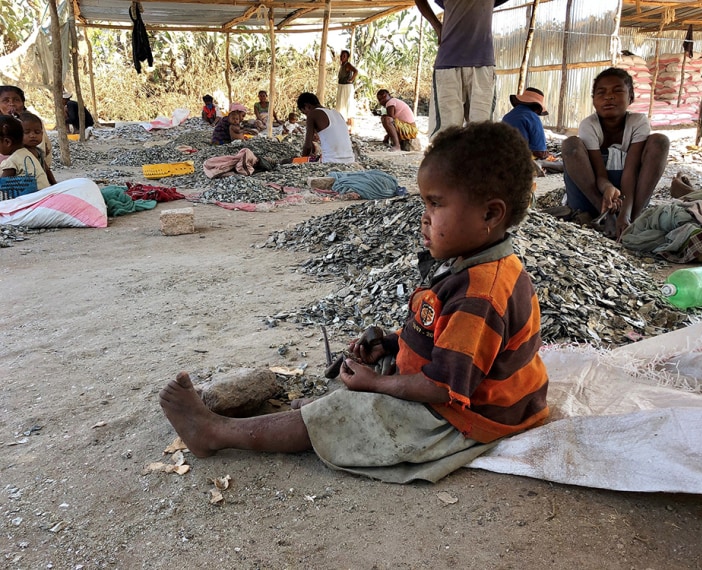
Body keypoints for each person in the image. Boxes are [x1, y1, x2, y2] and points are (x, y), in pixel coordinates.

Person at [158, 121, 549, 483]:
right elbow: (440, 331)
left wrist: (378, 384)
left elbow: (442, 387)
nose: (424, 218)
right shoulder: (469, 262)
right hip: (457, 389)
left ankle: (213, 433)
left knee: (339, 415)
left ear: (490, 214)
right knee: (351, 387)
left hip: (469, 418)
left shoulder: (482, 291)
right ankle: (298, 414)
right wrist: (394, 341)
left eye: (435, 204)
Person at [561, 67, 669, 239]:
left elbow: (630, 171)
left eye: (617, 91)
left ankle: (632, 219)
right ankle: (605, 215)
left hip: (631, 197)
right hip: (592, 195)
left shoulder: (638, 122)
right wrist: (608, 191)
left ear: (631, 97)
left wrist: (625, 213)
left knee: (660, 141)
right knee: (570, 144)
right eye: (601, 93)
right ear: (594, 100)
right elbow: (600, 175)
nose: (609, 97)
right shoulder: (589, 125)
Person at [414, 0, 509, 138]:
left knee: (483, 132)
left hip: (481, 66)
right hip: (449, 66)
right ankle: (448, 159)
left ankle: (476, 160)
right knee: (446, 133)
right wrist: (437, 27)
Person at [0, 85, 52, 168]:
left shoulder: (33, 122)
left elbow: (41, 149)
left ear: (23, 103)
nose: (11, 104)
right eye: (6, 101)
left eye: (16, 100)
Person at [296, 92, 354, 164]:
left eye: (304, 113)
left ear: (307, 106)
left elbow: (308, 146)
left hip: (330, 161)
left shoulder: (312, 114)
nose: (306, 116)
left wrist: (302, 160)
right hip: (350, 160)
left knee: (286, 161)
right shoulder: (337, 113)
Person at [0, 115, 50, 192]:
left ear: (7, 142)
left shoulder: (12, 160)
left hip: (33, 198)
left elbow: (2, 185)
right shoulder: (27, 153)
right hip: (44, 193)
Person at [501, 87, 549, 159]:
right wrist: (546, 155)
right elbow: (539, 152)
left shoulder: (506, 116)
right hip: (520, 160)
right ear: (537, 108)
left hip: (502, 157)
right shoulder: (533, 117)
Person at [19, 112, 56, 186]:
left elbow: (47, 170)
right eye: (27, 132)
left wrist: (55, 185)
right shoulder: (18, 154)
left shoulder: (39, 152)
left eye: (37, 132)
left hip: (41, 189)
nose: (32, 135)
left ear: (42, 134)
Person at [336, 50, 358, 134]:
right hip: (341, 86)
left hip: (346, 87)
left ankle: (352, 127)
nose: (342, 57)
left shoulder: (348, 65)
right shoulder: (342, 65)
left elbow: (356, 71)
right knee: (341, 105)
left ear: (347, 57)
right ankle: (344, 126)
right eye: (341, 55)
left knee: (348, 105)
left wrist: (351, 79)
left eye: (344, 56)